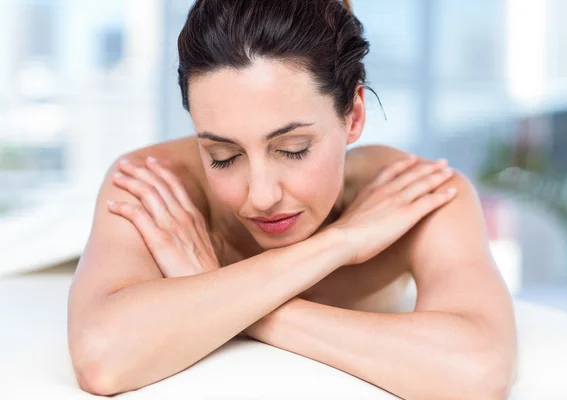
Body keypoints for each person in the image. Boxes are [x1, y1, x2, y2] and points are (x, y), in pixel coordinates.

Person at [67, 0, 517, 398]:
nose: (261, 196)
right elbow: (103, 358)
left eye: (293, 149)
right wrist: (341, 243)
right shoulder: (156, 187)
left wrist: (236, 303)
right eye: (223, 156)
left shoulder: (413, 195)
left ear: (354, 114)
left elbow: (477, 372)